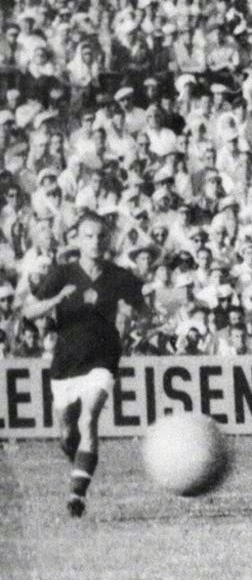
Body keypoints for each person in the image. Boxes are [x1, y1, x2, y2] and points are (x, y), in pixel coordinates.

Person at [20, 212, 151, 518]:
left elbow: (145, 312)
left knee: (89, 418)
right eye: (89, 236)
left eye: (101, 236)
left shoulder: (120, 276)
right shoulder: (62, 274)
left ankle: (76, 495)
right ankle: (80, 464)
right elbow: (28, 312)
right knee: (68, 434)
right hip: (66, 361)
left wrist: (135, 318)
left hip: (103, 357)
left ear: (109, 240)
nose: (96, 242)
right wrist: (55, 301)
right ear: (78, 240)